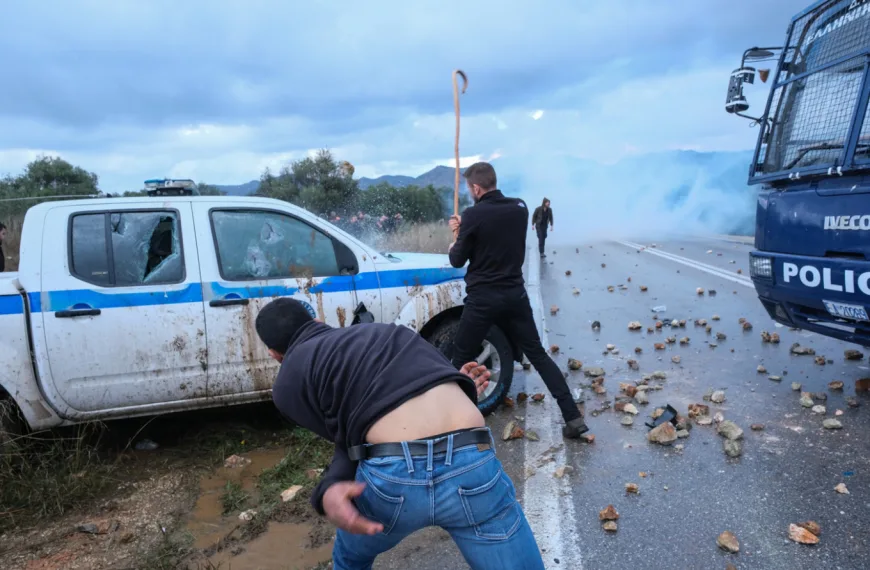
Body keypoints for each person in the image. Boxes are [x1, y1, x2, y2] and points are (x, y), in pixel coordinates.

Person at [254, 298, 546, 570]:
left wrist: (329, 488)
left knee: (349, 557)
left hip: (395, 478)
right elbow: (434, 383)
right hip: (471, 457)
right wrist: (463, 386)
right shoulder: (386, 331)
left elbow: (348, 440)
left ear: (275, 354)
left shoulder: (286, 385)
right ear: (317, 321)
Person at [447, 162, 588, 439]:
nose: (469, 193)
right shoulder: (520, 208)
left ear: (476, 188)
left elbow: (457, 260)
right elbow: (494, 229)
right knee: (538, 355)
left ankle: (452, 429)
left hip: (483, 299)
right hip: (515, 296)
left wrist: (456, 239)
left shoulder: (473, 215)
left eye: (469, 189)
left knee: (459, 359)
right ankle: (573, 418)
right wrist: (467, 227)